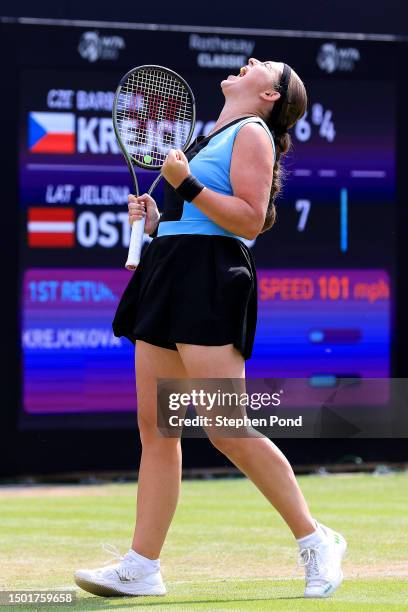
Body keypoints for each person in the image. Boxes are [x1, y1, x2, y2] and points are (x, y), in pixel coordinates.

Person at [74, 58, 347, 599]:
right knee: (157, 430)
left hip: (209, 278)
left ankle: (316, 540)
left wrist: (188, 184)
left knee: (226, 427)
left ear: (270, 94)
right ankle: (142, 566)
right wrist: (157, 217)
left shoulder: (253, 133)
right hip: (168, 272)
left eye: (263, 66)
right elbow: (195, 215)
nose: (249, 63)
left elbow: (248, 219)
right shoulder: (209, 137)